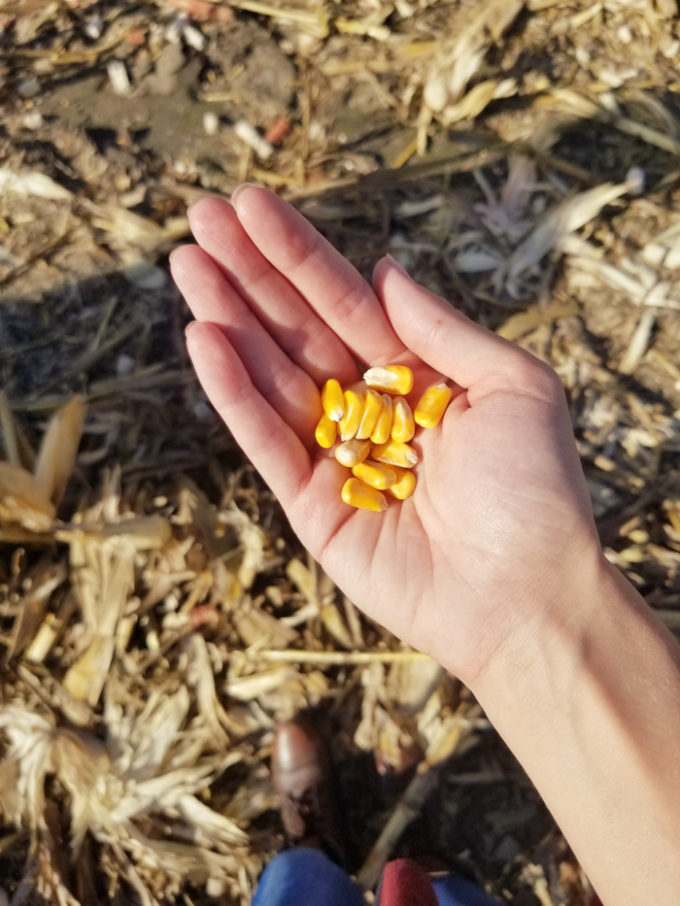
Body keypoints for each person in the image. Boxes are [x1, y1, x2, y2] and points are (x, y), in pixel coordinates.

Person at [170, 185, 680, 906]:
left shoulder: (378, 440)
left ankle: (313, 853)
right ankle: (437, 871)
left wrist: (537, 604)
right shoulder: (366, 437)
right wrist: (545, 611)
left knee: (296, 892)